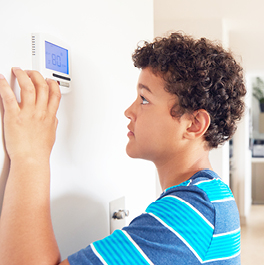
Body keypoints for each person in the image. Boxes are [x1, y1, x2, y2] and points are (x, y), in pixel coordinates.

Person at [0, 32, 246, 264]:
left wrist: (31, 156)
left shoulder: (192, 212)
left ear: (193, 124)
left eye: (144, 99)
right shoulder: (212, 196)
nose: (129, 111)